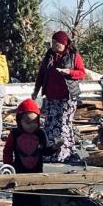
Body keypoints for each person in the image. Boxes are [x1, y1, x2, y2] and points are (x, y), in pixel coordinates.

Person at [3, 99, 60, 206]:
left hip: (36, 175)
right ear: (20, 121)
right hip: (19, 174)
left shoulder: (40, 133)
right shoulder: (15, 134)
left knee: (35, 202)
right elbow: (7, 151)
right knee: (19, 203)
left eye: (35, 122)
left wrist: (55, 148)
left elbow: (45, 151)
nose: (31, 125)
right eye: (27, 122)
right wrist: (8, 167)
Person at [32, 31, 86, 162]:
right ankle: (49, 151)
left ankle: (64, 152)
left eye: (58, 43)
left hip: (67, 97)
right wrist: (36, 90)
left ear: (65, 43)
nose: (55, 45)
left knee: (63, 124)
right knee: (50, 124)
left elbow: (82, 73)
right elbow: (41, 75)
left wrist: (69, 72)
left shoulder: (73, 56)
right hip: (51, 97)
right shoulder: (49, 56)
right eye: (53, 43)